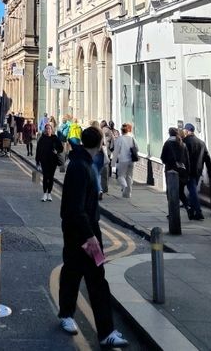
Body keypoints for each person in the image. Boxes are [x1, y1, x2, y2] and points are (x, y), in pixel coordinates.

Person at [58, 125, 129, 346]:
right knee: (93, 280)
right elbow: (75, 207)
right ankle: (103, 330)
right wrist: (90, 237)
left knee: (77, 274)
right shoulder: (80, 166)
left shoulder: (83, 163)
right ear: (100, 144)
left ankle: (68, 315)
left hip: (81, 229)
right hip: (82, 232)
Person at [182, 123, 211, 220]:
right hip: (198, 170)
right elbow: (207, 158)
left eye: (184, 130)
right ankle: (192, 211)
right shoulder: (201, 143)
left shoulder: (184, 142)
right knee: (193, 189)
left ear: (187, 131)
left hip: (188, 170)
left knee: (192, 190)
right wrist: (209, 171)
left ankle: (198, 211)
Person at [160, 127, 190, 213]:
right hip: (182, 171)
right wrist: (187, 172)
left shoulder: (167, 143)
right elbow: (187, 160)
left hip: (170, 170)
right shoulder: (183, 144)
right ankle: (188, 207)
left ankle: (173, 212)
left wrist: (168, 163)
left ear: (169, 133)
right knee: (180, 192)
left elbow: (163, 157)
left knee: (171, 192)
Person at [36, 122, 64, 202]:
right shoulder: (42, 138)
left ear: (52, 130)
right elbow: (38, 150)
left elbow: (61, 148)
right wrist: (37, 161)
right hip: (44, 161)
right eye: (46, 128)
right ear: (45, 130)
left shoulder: (55, 138)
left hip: (53, 161)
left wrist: (57, 151)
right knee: (45, 177)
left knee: (51, 178)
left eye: (49, 128)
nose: (48, 130)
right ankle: (44, 194)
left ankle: (49, 194)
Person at [112, 123, 136, 198]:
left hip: (122, 160)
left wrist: (113, 163)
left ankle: (124, 187)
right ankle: (128, 194)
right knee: (129, 176)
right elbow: (137, 149)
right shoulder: (132, 137)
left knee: (120, 176)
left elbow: (116, 151)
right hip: (131, 160)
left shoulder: (120, 139)